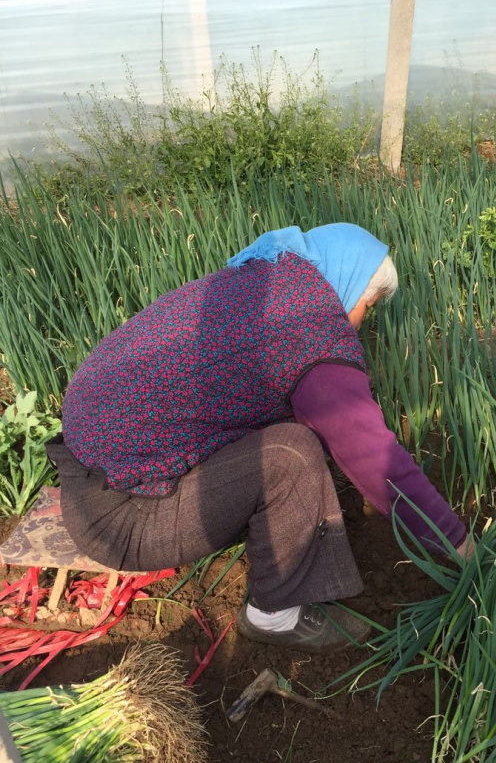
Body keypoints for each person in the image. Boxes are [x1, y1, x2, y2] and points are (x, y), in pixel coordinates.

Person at [47, 223, 469, 653]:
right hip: (120, 518)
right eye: (369, 305)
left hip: (94, 470)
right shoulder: (310, 332)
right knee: (294, 455)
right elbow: (378, 462)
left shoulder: (267, 277)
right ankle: (273, 615)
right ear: (351, 281)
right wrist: (458, 543)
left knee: (291, 435)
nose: (361, 321)